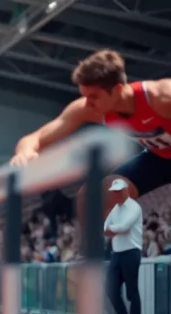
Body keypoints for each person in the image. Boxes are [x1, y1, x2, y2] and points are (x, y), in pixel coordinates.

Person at [10, 49, 171, 216]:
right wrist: (25, 152)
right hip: (158, 159)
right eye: (84, 96)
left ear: (117, 90)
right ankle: (101, 242)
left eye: (93, 96)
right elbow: (35, 137)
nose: (87, 104)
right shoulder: (91, 110)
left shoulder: (162, 98)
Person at [104, 178, 143, 314]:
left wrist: (112, 229)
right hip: (117, 253)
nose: (117, 194)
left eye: (119, 191)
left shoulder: (134, 207)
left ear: (126, 191)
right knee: (111, 290)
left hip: (131, 252)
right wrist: (114, 229)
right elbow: (105, 227)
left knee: (131, 291)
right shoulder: (115, 209)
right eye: (114, 192)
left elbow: (124, 227)